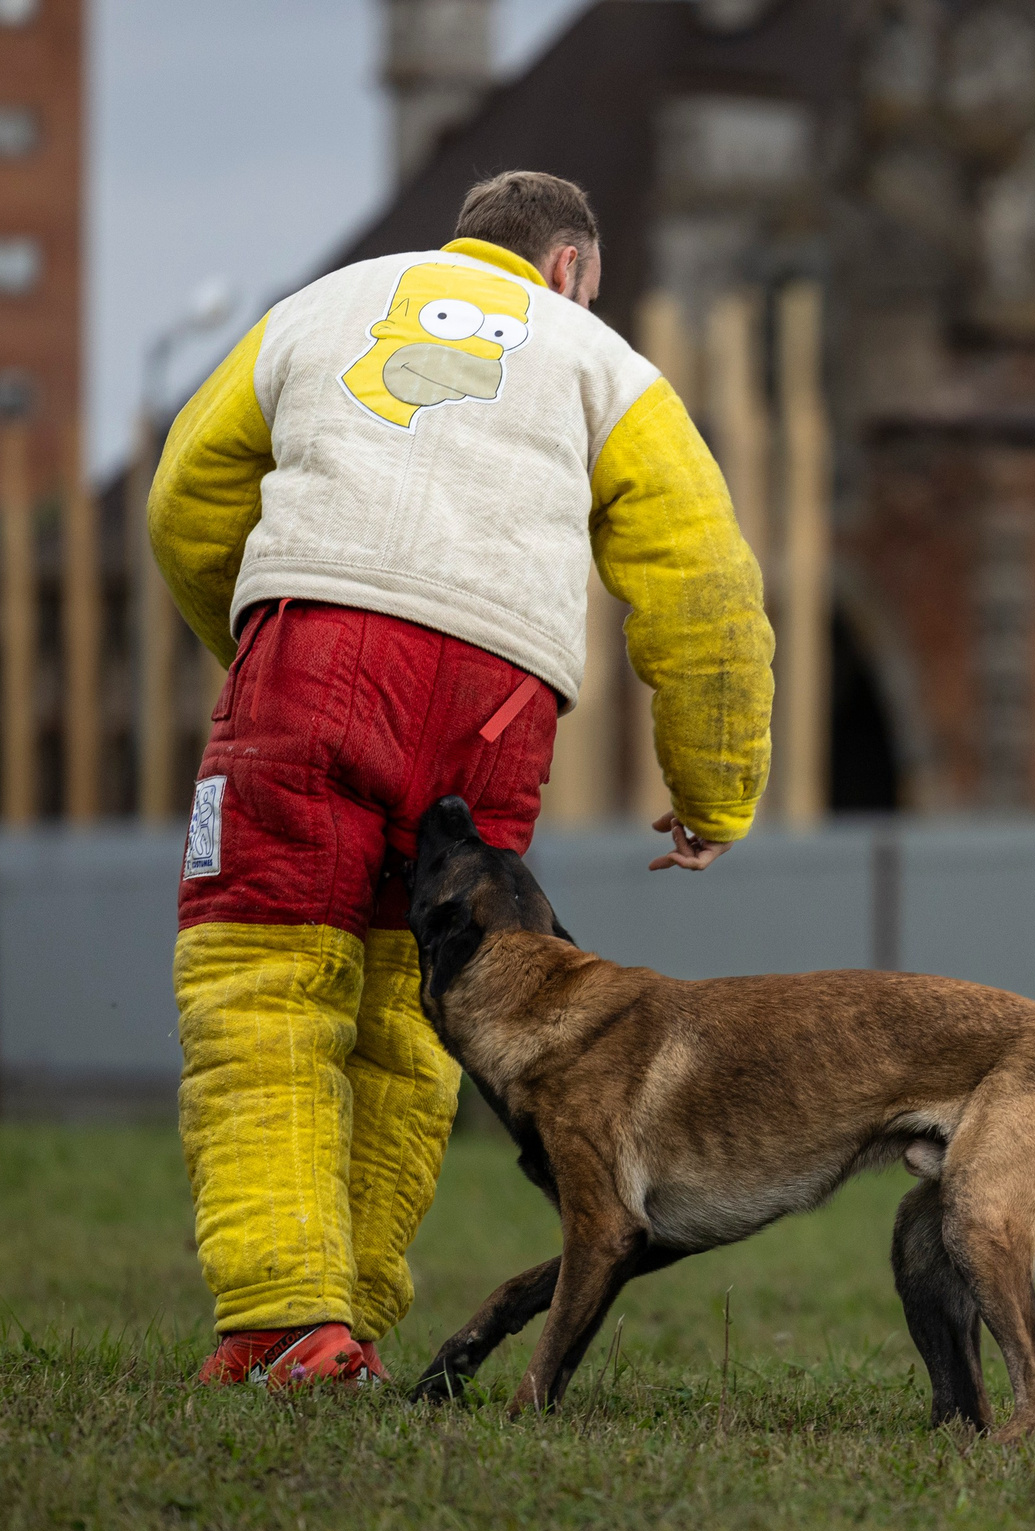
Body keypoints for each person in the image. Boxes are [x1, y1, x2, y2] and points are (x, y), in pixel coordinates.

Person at [148, 170, 774, 1388]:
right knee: (414, 1002)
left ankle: (284, 1317)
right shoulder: (607, 367)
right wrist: (716, 790)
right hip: (498, 698)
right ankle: (348, 1325)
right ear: (570, 271)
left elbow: (186, 499)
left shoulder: (319, 307)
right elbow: (707, 588)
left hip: (315, 653)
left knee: (264, 984)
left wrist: (256, 647)